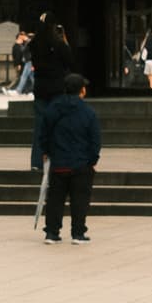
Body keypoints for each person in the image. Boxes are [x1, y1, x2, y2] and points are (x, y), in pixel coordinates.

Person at [36, 72, 101, 242]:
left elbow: (43, 133)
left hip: (59, 162)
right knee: (80, 199)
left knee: (55, 199)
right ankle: (78, 233)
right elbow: (95, 140)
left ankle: (52, 232)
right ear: (82, 90)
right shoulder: (88, 112)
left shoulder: (53, 108)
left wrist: (46, 151)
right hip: (81, 164)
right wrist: (92, 160)